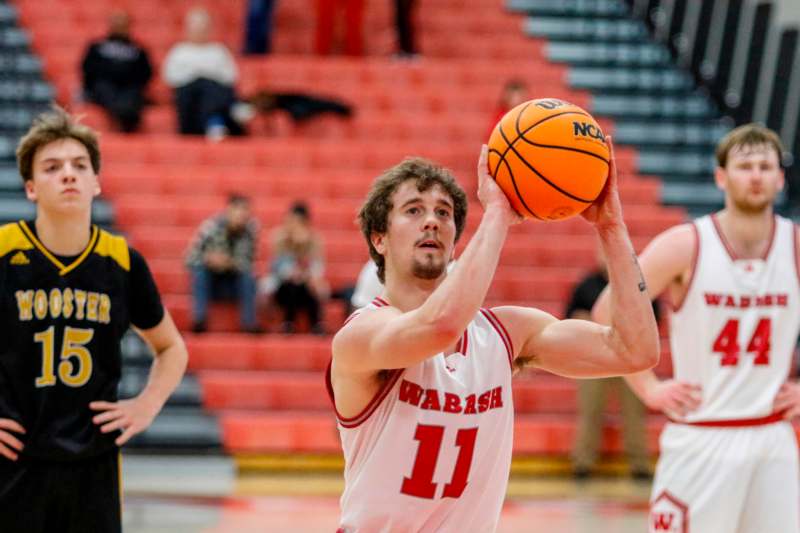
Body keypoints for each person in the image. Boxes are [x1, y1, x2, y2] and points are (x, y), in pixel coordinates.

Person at [327, 138, 660, 531]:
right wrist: (499, 213)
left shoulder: (506, 333)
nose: (431, 220)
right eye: (413, 210)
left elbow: (634, 351)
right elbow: (439, 327)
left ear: (455, 244)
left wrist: (611, 227)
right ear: (379, 239)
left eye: (444, 212)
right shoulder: (360, 336)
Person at [593, 124, 800, 533]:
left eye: (764, 166)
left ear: (780, 178)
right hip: (701, 436)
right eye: (744, 166)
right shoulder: (686, 243)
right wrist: (649, 388)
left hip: (772, 439)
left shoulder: (794, 245)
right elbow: (607, 311)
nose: (755, 175)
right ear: (721, 176)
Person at [0, 108, 188, 532]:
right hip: (13, 459)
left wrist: (147, 404)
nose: (68, 175)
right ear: (30, 187)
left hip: (93, 464)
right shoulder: (4, 251)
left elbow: (171, 348)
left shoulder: (122, 262)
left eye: (79, 166)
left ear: (96, 183)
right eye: (52, 168)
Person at [567, 247, 658, 480]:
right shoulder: (586, 285)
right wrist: (584, 320)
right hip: (595, 358)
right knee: (590, 409)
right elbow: (569, 318)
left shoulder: (636, 283)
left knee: (634, 412)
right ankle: (582, 463)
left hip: (630, 358)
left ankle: (640, 465)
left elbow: (654, 318)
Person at [162, 8, 251, 138]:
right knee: (201, 84)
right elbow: (170, 78)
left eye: (203, 28)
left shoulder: (219, 50)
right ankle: (222, 115)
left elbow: (230, 77)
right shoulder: (179, 51)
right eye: (196, 28)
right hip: (190, 101)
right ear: (188, 29)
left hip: (215, 93)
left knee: (210, 86)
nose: (199, 31)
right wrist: (200, 77)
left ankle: (215, 121)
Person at [185, 194, 261, 334]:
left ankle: (249, 323)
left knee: (248, 277)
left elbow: (248, 264)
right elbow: (189, 259)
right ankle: (199, 319)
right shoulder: (210, 228)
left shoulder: (250, 231)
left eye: (245, 212)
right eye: (239, 211)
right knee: (200, 273)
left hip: (234, 284)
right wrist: (208, 260)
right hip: (211, 284)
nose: (242, 216)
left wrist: (228, 263)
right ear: (229, 210)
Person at [80, 10, 153, 132]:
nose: (119, 27)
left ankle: (125, 115)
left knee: (133, 95)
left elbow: (145, 74)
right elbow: (88, 71)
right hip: (104, 88)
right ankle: (122, 114)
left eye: (123, 24)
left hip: (129, 89)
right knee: (105, 89)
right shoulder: (97, 46)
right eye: (116, 23)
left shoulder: (139, 50)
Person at [263, 201, 328, 334]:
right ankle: (288, 322)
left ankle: (316, 324)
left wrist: (305, 251)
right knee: (291, 285)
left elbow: (318, 269)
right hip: (284, 288)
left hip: (306, 288)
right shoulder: (280, 239)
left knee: (310, 286)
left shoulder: (314, 241)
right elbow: (276, 268)